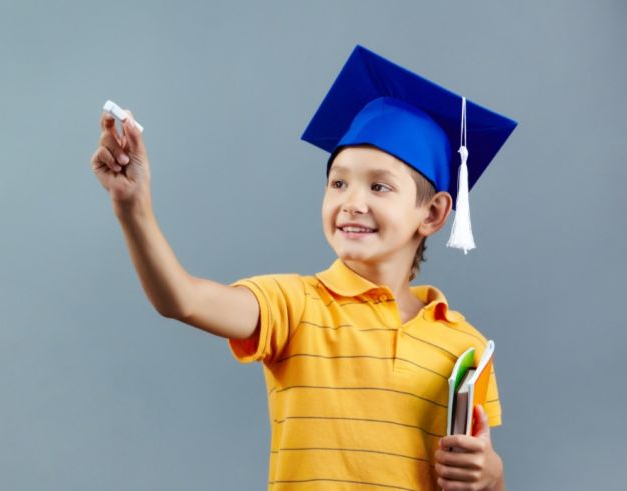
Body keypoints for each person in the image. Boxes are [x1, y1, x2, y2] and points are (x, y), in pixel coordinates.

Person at [90, 45, 516, 491]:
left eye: (378, 185)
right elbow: (183, 299)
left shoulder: (464, 347)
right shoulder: (294, 305)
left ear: (432, 214)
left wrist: (492, 477)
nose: (352, 202)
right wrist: (132, 207)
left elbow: (469, 477)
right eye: (338, 182)